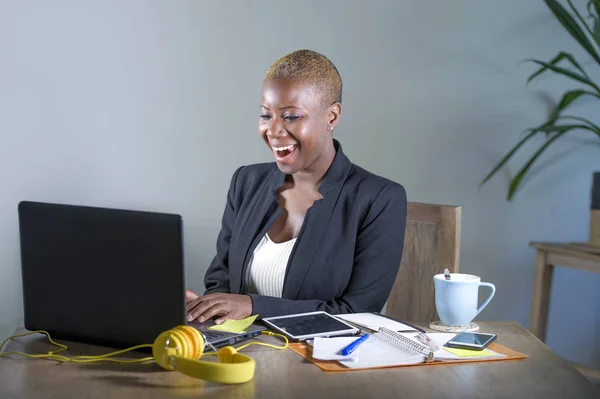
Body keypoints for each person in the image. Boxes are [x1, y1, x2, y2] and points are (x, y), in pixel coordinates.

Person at [186, 49, 407, 325]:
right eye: (266, 116)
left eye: (291, 117)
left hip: (320, 361)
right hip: (238, 354)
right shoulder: (246, 182)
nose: (274, 130)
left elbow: (358, 313)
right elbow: (220, 280)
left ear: (332, 117)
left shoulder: (378, 199)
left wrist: (254, 305)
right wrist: (204, 308)